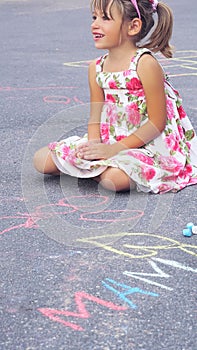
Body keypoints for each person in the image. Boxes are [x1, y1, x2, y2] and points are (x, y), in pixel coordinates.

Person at [33, 0, 197, 193]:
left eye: (105, 18)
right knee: (41, 160)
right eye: (94, 17)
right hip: (109, 139)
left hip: (148, 145)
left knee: (113, 180)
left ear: (133, 26)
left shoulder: (144, 64)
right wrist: (94, 145)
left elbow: (156, 123)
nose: (95, 24)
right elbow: (96, 115)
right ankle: (101, 167)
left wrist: (113, 150)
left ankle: (104, 170)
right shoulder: (96, 67)